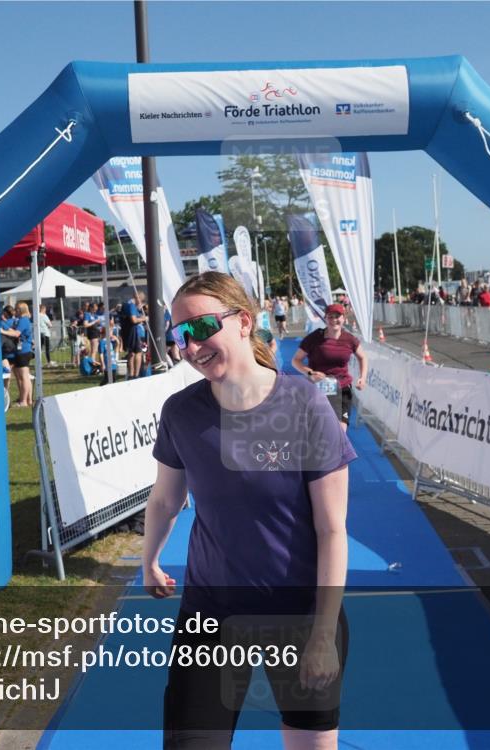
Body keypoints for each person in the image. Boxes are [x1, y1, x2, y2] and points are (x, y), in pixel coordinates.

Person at [144, 271, 355, 750]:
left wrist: (322, 634)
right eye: (178, 336)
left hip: (300, 615)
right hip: (212, 612)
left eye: (199, 329)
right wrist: (149, 559)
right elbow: (165, 499)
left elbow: (331, 530)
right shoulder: (181, 411)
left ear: (243, 322)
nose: (189, 347)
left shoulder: (304, 403)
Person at [292, 303, 368, 431]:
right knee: (318, 430)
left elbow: (363, 357)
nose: (334, 320)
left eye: (337, 316)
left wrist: (363, 378)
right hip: (318, 389)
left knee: (340, 432)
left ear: (343, 318)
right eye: (330, 317)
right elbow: (296, 360)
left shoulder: (350, 339)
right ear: (325, 319)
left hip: (342, 388)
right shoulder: (315, 338)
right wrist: (310, 373)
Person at [5, 301, 34, 407]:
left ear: (20, 310)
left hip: (23, 351)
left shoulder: (23, 320)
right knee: (23, 376)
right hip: (22, 351)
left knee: (24, 377)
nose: (14, 311)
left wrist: (2, 331)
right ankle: (27, 399)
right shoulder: (23, 320)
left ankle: (23, 401)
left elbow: (17, 333)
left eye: (16, 309)